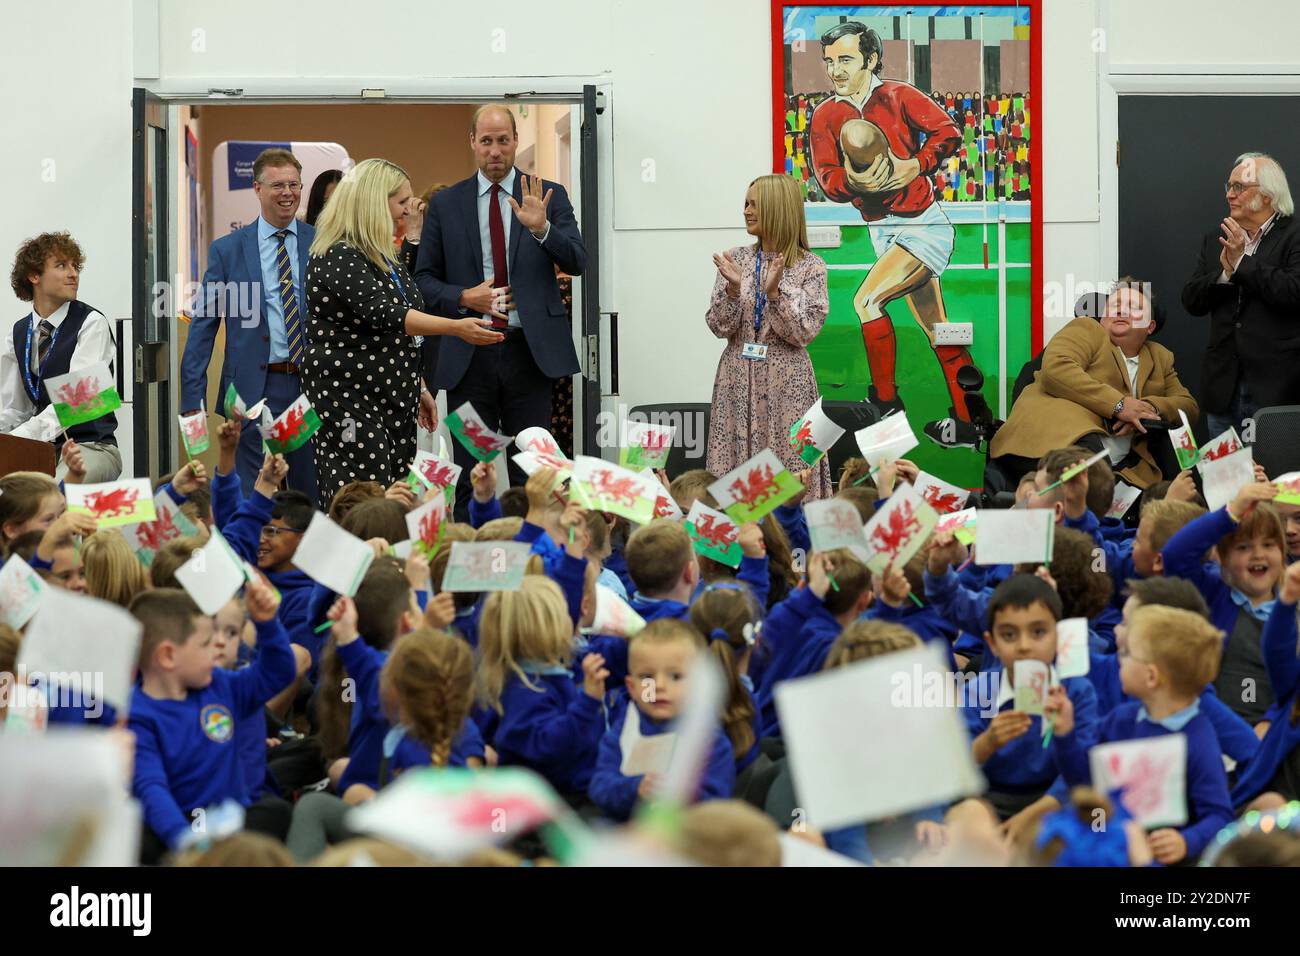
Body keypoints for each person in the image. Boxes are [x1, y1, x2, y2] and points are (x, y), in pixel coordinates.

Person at [414, 104, 588, 519]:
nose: (495, 150)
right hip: (468, 356)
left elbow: (579, 261)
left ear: (515, 143)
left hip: (529, 355)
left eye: (504, 141)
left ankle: (533, 570)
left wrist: (542, 229)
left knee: (533, 474)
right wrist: (463, 298)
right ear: (473, 143)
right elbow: (423, 280)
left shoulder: (547, 194)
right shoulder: (446, 205)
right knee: (471, 474)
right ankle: (472, 569)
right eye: (487, 141)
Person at [807, 21, 976, 448]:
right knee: (938, 327)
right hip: (881, 231)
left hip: (922, 225)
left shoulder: (899, 95)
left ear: (871, 59)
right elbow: (827, 178)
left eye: (845, 59)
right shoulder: (826, 115)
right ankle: (971, 418)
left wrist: (913, 166)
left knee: (866, 300)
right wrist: (855, 183)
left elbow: (948, 132)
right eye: (829, 62)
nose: (835, 71)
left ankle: (886, 404)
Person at [304, 158, 502, 509]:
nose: (409, 209)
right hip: (351, 399)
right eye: (401, 201)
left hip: (395, 398)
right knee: (367, 498)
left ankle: (388, 563)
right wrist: (456, 327)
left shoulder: (383, 255)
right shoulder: (338, 254)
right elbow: (386, 315)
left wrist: (419, 386)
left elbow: (404, 326)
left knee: (396, 497)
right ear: (373, 202)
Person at [181, 148, 318, 499]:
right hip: (249, 390)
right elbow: (204, 325)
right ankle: (244, 552)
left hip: (307, 386)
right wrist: (191, 395)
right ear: (257, 189)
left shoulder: (320, 243)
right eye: (278, 185)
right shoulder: (228, 250)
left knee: (307, 492)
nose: (288, 193)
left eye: (294, 185)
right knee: (247, 490)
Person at [1048, 604, 1233, 864]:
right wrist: (1065, 733)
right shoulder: (1120, 720)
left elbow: (1220, 817)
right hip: (1106, 849)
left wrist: (1185, 841)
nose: (1118, 659)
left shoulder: (1198, 740)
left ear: (1151, 676)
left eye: (1125, 653)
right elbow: (1082, 782)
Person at [127, 582, 297, 861]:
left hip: (231, 817)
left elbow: (279, 673)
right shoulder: (137, 716)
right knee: (139, 838)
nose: (216, 647)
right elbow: (151, 787)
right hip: (180, 822)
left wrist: (267, 623)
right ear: (168, 655)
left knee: (275, 812)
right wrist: (187, 842)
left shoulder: (220, 685)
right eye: (205, 643)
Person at [989, 279, 1198, 490]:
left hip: (1124, 466)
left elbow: (1188, 406)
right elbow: (1056, 368)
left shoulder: (1160, 357)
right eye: (1115, 305)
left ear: (1150, 326)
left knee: (1178, 485)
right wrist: (1119, 406)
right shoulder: (1087, 329)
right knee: (1094, 480)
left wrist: (1147, 409)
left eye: (1134, 307)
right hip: (1059, 439)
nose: (1121, 311)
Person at [706, 174, 831, 500]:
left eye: (754, 204)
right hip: (737, 378)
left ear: (778, 209)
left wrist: (776, 293)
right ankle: (740, 543)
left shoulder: (811, 267)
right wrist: (733, 291)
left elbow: (803, 332)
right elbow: (719, 326)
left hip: (788, 382)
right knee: (736, 476)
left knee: (791, 468)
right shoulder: (737, 259)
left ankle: (791, 544)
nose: (745, 211)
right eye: (745, 203)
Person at [1182, 152, 1300, 436]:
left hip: (1276, 390)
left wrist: (1241, 264)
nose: (1230, 195)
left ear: (1268, 195)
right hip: (1223, 387)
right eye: (1229, 187)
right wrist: (1224, 274)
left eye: (1239, 187)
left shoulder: (1294, 236)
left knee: (1271, 478)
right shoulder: (1217, 238)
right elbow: (1191, 300)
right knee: (1223, 478)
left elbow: (1294, 293)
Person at [587, 618, 735, 821]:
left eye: (676, 676)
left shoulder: (711, 741)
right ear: (632, 688)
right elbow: (600, 787)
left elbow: (716, 805)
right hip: (625, 836)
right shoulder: (623, 731)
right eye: (647, 677)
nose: (659, 686)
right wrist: (635, 788)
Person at [2, 232, 121, 481]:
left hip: (90, 446)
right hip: (39, 447)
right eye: (61, 265)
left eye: (75, 266)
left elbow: (76, 406)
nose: (73, 273)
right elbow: (15, 410)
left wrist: (19, 439)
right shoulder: (18, 333)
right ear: (34, 276)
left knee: (52, 499)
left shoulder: (91, 323)